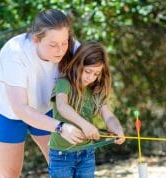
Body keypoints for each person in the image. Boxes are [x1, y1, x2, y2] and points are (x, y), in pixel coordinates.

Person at [0, 9, 85, 178]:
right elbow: (20, 108)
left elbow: (94, 88)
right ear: (36, 39)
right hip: (6, 111)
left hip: (45, 106)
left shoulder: (74, 49)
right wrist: (60, 127)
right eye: (52, 45)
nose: (60, 50)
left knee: (65, 166)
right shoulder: (15, 53)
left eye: (64, 42)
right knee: (9, 174)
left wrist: (109, 122)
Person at [49, 41, 125, 178]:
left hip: (87, 155)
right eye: (87, 71)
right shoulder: (64, 83)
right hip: (61, 156)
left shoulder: (94, 90)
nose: (91, 77)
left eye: (96, 74)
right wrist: (86, 125)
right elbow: (62, 106)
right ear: (78, 65)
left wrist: (118, 129)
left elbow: (108, 116)